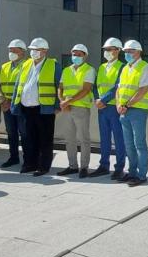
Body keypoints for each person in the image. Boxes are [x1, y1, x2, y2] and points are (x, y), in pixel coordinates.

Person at [12, 37, 61, 176]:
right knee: (27, 138)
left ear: (45, 51)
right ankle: (29, 164)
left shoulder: (53, 65)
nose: (33, 52)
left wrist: (57, 105)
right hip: (26, 108)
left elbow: (59, 86)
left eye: (37, 49)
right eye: (32, 49)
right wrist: (14, 104)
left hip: (44, 109)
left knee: (44, 139)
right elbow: (18, 85)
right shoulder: (26, 64)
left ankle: (43, 166)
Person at [117, 40, 148, 187]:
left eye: (130, 51)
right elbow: (119, 88)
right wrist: (119, 104)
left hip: (138, 110)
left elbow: (143, 90)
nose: (127, 54)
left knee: (139, 144)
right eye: (126, 51)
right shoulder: (126, 68)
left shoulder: (146, 68)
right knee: (129, 144)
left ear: (139, 52)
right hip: (124, 111)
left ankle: (141, 175)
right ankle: (132, 172)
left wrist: (126, 104)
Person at [57, 44, 95, 177]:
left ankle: (84, 167)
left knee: (84, 139)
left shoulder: (89, 70)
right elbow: (60, 87)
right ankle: (72, 166)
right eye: (74, 54)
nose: (76, 56)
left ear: (85, 56)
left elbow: (86, 89)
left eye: (79, 54)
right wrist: (62, 101)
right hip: (67, 108)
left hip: (81, 108)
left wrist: (67, 101)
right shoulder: (66, 70)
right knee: (69, 139)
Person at [94, 38, 128, 179]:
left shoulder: (122, 67)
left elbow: (117, 86)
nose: (107, 52)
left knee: (119, 138)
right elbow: (96, 85)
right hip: (101, 107)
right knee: (104, 138)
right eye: (105, 50)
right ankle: (104, 165)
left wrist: (103, 100)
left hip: (114, 106)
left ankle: (119, 168)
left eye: (110, 49)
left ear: (118, 50)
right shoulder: (102, 67)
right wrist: (97, 99)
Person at [0, 39, 28, 169]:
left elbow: (27, 86)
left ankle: (28, 159)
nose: (12, 52)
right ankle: (13, 157)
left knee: (24, 132)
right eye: (10, 50)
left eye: (15, 50)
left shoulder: (28, 65)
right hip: (6, 105)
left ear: (22, 52)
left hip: (21, 105)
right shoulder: (4, 66)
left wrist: (13, 101)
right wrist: (2, 101)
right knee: (11, 133)